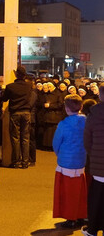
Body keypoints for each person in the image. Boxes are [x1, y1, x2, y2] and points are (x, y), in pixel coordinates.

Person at [53, 94, 87, 228]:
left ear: (66, 108)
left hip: (66, 162)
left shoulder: (63, 124)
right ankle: (80, 215)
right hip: (81, 160)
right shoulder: (86, 121)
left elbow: (56, 143)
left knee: (67, 193)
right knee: (79, 191)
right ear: (81, 107)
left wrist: (59, 155)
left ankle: (70, 218)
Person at [82, 83, 104, 236]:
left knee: (96, 198)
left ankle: (93, 229)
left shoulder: (93, 113)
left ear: (100, 96)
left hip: (98, 162)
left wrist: (93, 154)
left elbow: (87, 139)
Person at [1, 65, 32, 169]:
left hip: (15, 113)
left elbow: (4, 99)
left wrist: (2, 92)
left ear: (16, 75)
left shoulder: (10, 87)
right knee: (25, 138)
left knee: (15, 138)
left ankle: (16, 161)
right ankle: (25, 161)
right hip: (26, 112)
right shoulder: (29, 86)